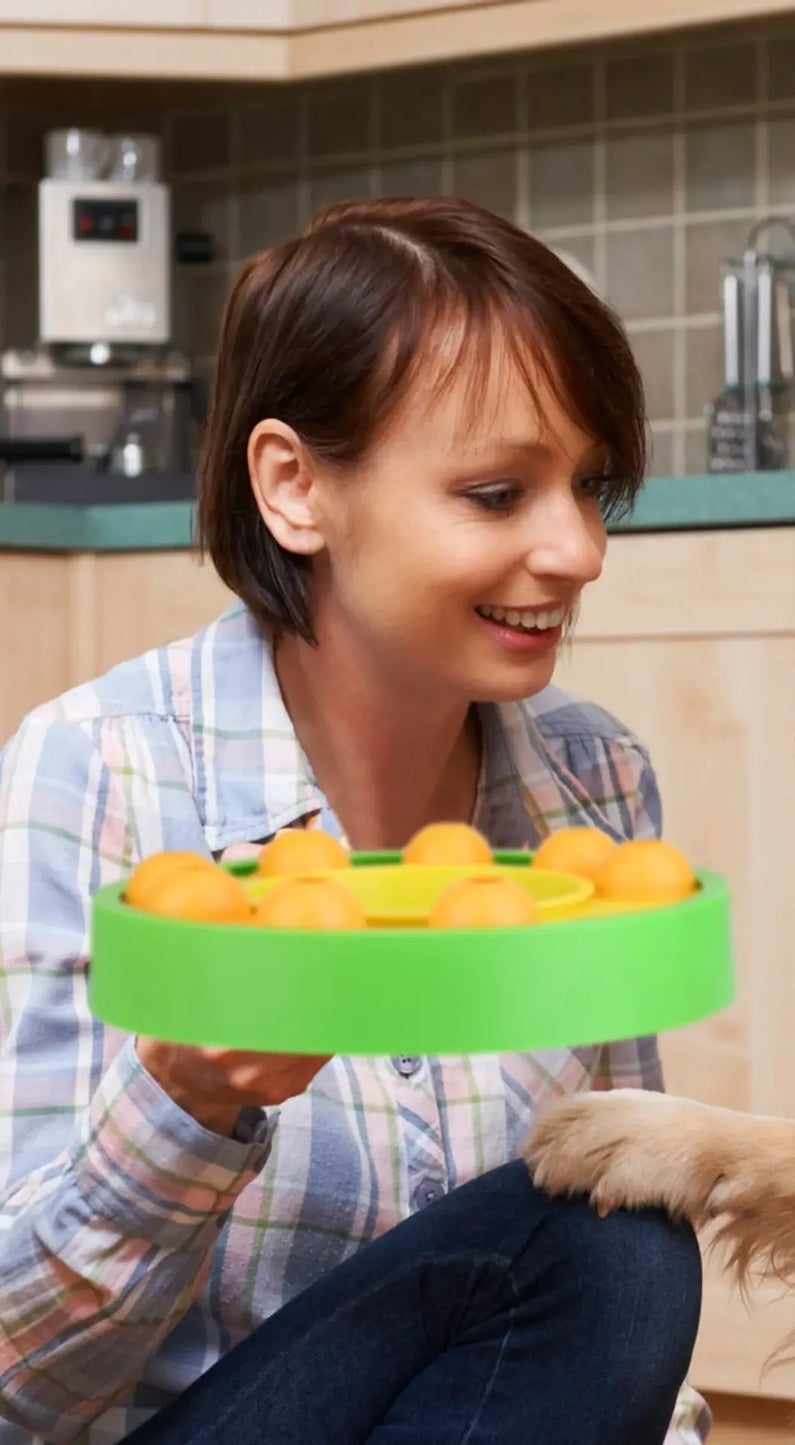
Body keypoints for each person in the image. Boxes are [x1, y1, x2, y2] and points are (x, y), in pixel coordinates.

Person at [0, 197, 710, 1444]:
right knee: (602, 1243)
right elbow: (18, 1391)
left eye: (589, 486)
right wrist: (179, 1111)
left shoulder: (595, 786)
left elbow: (582, 1334)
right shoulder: (98, 773)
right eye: (497, 492)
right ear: (293, 486)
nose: (581, 547)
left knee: (621, 1229)